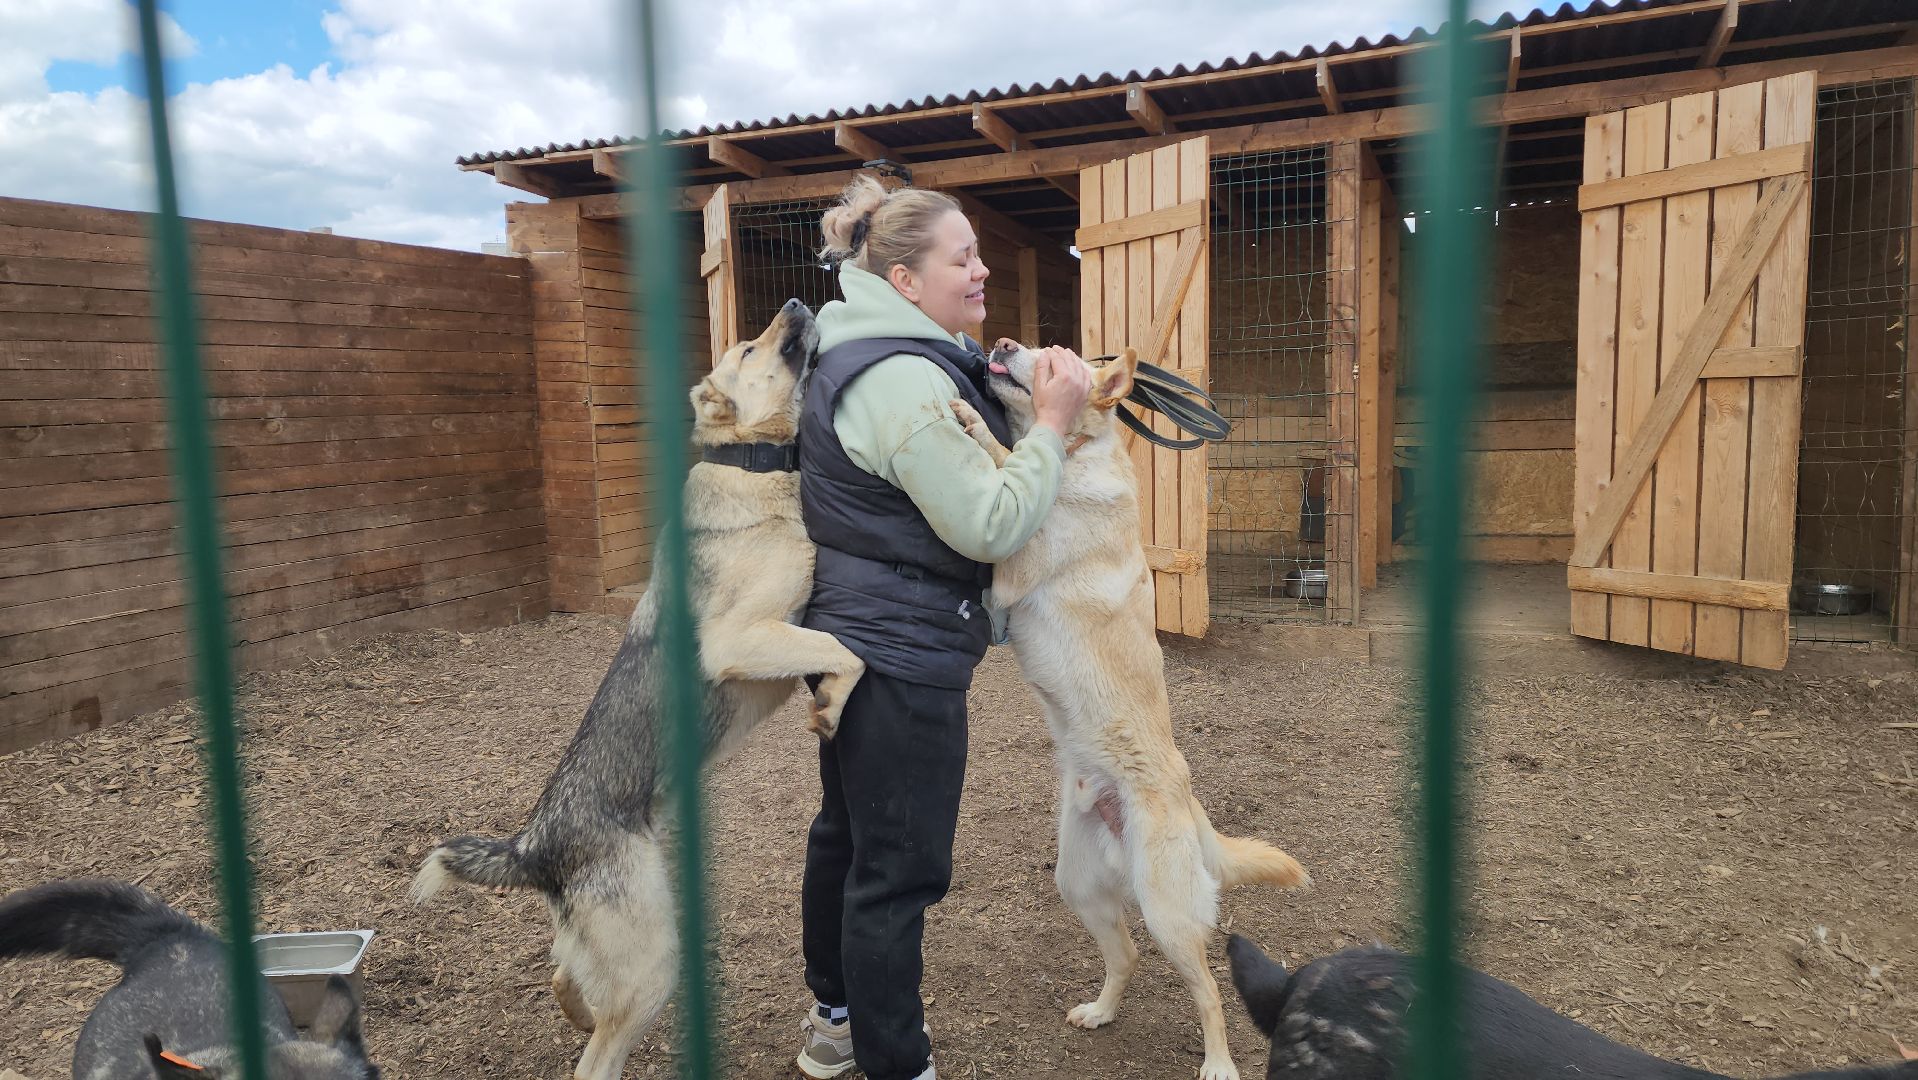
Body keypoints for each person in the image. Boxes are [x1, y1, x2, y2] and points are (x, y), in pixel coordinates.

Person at [793, 174, 1092, 1080]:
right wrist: (1050, 424)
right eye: (962, 256)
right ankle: (896, 1062)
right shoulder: (902, 380)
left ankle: (835, 1021)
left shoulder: (861, 352)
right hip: (901, 658)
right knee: (897, 873)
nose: (982, 267)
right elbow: (991, 523)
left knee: (845, 839)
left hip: (851, 640)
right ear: (905, 281)